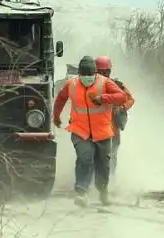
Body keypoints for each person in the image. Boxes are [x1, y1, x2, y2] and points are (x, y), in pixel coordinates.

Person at [53, 56, 128, 207]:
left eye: (90, 75)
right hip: (80, 131)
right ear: (79, 74)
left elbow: (122, 97)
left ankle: (103, 192)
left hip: (103, 132)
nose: (87, 78)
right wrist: (56, 116)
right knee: (85, 158)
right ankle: (82, 192)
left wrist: (104, 98)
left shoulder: (106, 83)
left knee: (103, 164)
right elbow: (60, 99)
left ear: (96, 73)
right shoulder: (71, 84)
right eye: (84, 75)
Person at [95, 56, 135, 177]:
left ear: (109, 71)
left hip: (113, 129)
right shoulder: (88, 86)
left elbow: (130, 99)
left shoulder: (117, 85)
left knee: (111, 156)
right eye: (100, 71)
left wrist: (122, 108)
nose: (103, 74)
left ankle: (109, 181)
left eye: (105, 71)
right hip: (95, 129)